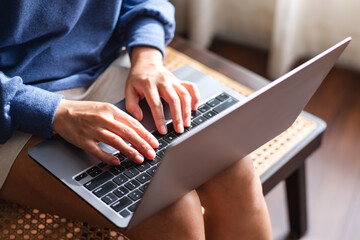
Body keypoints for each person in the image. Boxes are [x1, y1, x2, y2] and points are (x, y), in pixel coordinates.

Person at [0, 0, 272, 239]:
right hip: (16, 106)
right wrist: (53, 111)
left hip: (104, 68)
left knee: (234, 171)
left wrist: (147, 57)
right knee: (169, 211)